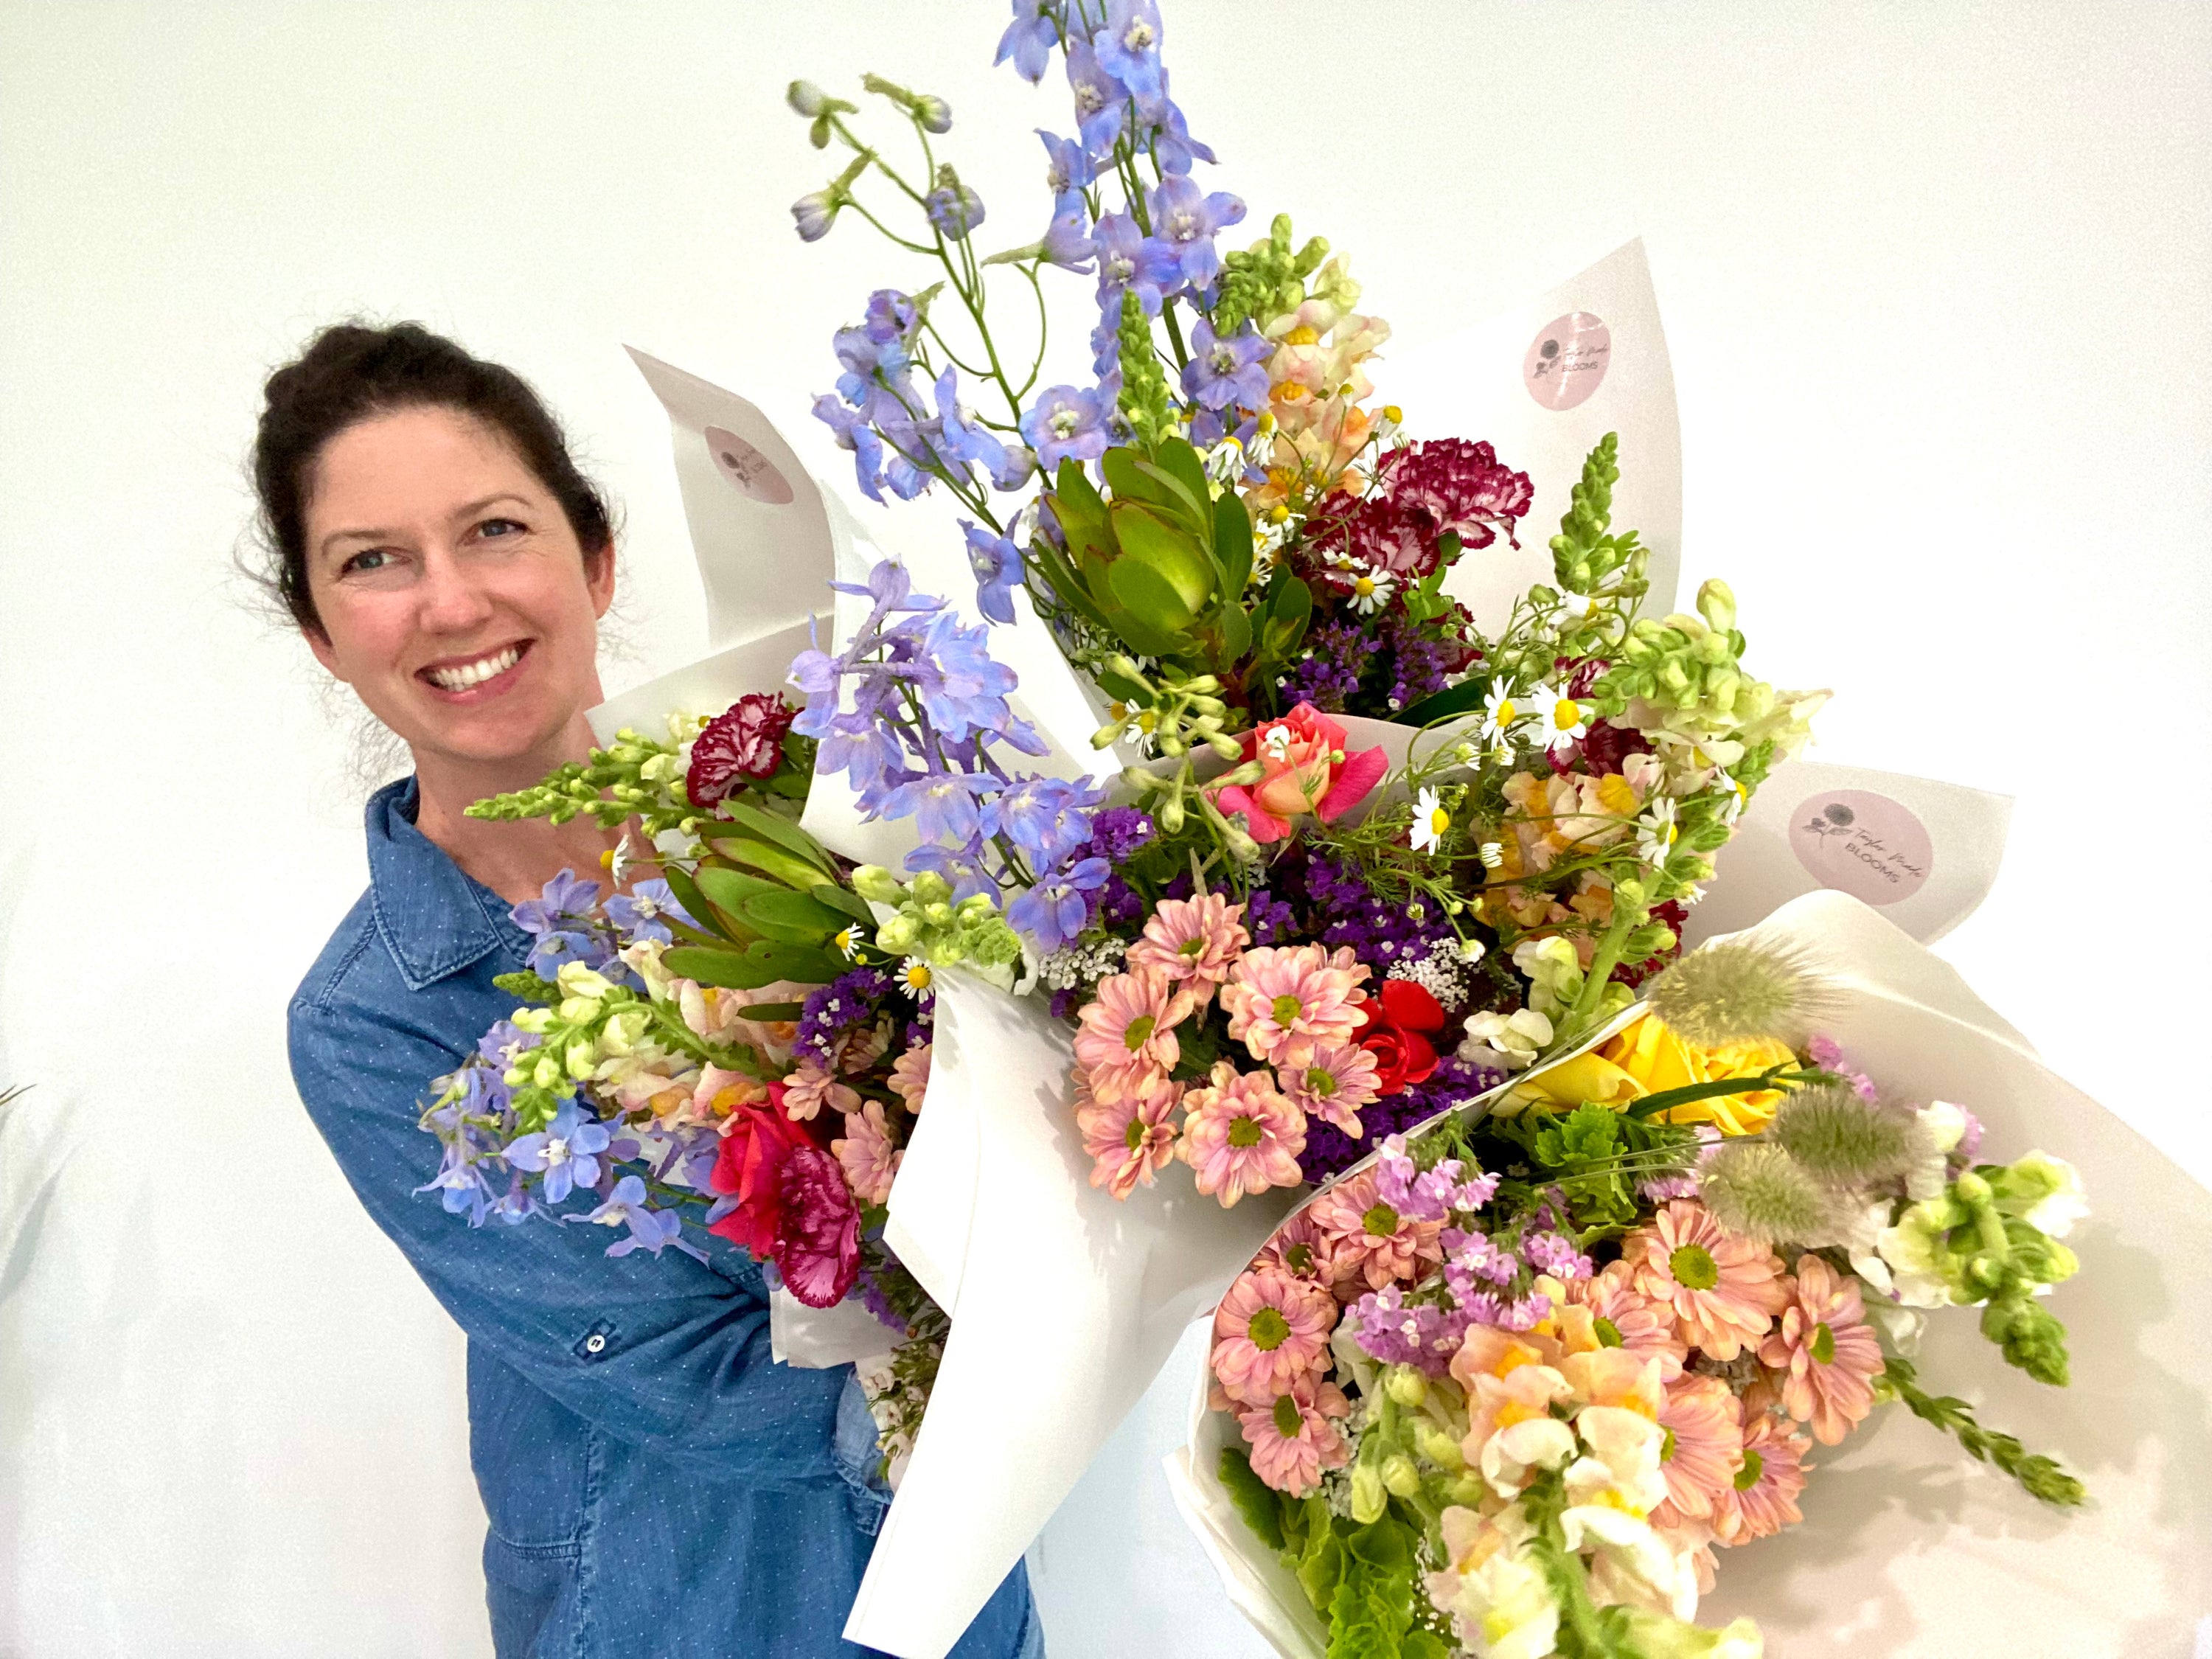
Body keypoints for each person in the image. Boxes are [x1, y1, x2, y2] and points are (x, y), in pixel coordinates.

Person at [265, 321, 1042, 1659]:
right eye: (373, 561)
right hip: (665, 1606)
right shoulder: (371, 1021)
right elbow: (683, 1379)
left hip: (959, 1585)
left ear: (596, 556)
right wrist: (1014, 1381)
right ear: (323, 633)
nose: (450, 602)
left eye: (494, 529)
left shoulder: (806, 812)